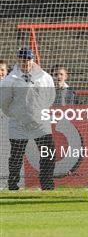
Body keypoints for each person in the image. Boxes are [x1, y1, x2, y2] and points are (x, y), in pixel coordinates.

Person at [0, 48, 56, 190]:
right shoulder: (10, 80)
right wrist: (16, 114)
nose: (25, 62)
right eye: (23, 59)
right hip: (18, 123)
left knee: (48, 152)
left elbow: (50, 97)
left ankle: (47, 184)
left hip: (40, 123)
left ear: (33, 60)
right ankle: (13, 185)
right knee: (16, 155)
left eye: (28, 59)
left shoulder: (44, 77)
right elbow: (4, 102)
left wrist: (38, 112)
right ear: (18, 60)